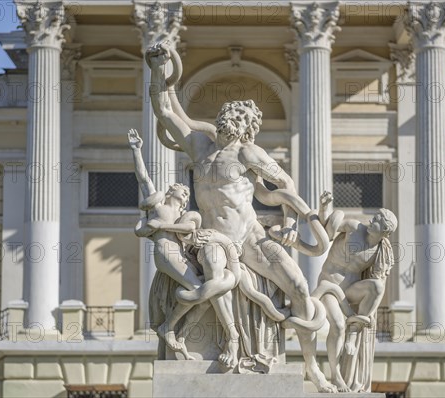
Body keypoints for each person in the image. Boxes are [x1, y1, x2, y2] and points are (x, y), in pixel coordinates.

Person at [146, 42, 335, 392]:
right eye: (230, 113)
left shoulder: (249, 152)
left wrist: (293, 222)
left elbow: (284, 184)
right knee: (216, 277)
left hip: (250, 237)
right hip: (213, 238)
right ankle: (222, 340)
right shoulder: (199, 148)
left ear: (249, 127)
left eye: (241, 116)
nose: (232, 117)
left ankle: (312, 367)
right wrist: (159, 71)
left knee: (299, 287)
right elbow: (164, 111)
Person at [128, 128, 242, 368]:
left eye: (186, 191)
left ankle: (172, 329)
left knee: (203, 290)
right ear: (171, 192)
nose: (185, 191)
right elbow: (143, 179)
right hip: (165, 252)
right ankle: (170, 329)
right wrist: (137, 150)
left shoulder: (185, 216)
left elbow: (188, 229)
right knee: (200, 289)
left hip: (177, 253)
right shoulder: (157, 205)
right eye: (182, 189)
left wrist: (160, 225)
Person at [312, 191, 397, 392]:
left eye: (377, 219)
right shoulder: (353, 227)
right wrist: (325, 208)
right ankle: (336, 376)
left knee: (377, 286)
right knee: (338, 325)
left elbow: (378, 284)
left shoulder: (380, 252)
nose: (371, 219)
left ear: (384, 231)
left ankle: (354, 332)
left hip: (349, 292)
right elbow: (326, 231)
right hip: (329, 286)